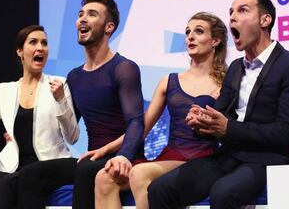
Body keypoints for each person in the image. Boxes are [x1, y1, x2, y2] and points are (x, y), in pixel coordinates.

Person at [146, 0, 289, 209]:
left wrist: (228, 129)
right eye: (231, 12)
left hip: (267, 160)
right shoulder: (235, 68)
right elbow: (222, 115)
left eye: (243, 10)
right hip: (227, 156)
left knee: (224, 193)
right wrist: (203, 120)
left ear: (265, 20)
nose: (233, 17)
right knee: (160, 189)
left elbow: (286, 133)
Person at [94, 12, 228, 209]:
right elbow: (142, 126)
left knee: (139, 174)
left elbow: (232, 128)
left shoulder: (225, 83)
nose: (190, 37)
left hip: (200, 160)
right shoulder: (169, 81)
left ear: (215, 40)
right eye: (188, 32)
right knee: (104, 178)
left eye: (198, 32)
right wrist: (107, 149)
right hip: (169, 156)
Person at [0, 25, 80, 209]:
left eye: (44, 43)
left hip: (51, 163)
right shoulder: (4, 91)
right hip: (15, 165)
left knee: (21, 179)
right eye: (33, 42)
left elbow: (73, 137)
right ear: (20, 52)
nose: (40, 47)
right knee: (1, 187)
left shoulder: (59, 84)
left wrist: (61, 101)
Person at [66, 0, 145, 209]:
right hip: (91, 157)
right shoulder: (74, 77)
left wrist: (124, 156)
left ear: (109, 27)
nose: (82, 19)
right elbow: (69, 130)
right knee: (32, 174)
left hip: (125, 157)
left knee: (84, 170)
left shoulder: (124, 68)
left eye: (92, 14)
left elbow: (136, 122)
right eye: (80, 14)